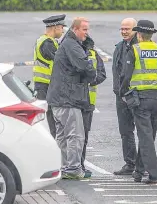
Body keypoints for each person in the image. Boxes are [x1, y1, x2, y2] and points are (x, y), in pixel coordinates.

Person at [119, 20, 157, 184]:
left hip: (141, 98)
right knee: (148, 135)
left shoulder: (135, 49)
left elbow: (126, 75)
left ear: (139, 35)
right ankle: (139, 171)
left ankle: (154, 173)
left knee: (145, 136)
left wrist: (122, 93)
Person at [46, 17, 96, 179]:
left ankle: (62, 167)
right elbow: (83, 66)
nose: (87, 34)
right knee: (75, 135)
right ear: (75, 30)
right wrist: (91, 68)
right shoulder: (71, 44)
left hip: (58, 98)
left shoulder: (67, 43)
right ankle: (73, 169)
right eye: (84, 30)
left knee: (62, 136)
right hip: (68, 99)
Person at [112, 18, 139, 175]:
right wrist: (118, 91)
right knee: (125, 131)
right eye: (122, 28)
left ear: (135, 29)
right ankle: (130, 163)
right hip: (121, 95)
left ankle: (142, 165)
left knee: (143, 131)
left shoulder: (139, 47)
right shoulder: (119, 47)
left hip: (136, 95)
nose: (124, 31)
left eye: (127, 29)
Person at [33, 14, 65, 137]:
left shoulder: (45, 40)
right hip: (46, 87)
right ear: (55, 27)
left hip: (44, 86)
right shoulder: (47, 43)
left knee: (49, 121)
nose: (62, 30)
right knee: (49, 123)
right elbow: (61, 61)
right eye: (61, 27)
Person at [81, 35, 107, 175]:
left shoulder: (93, 54)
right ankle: (72, 165)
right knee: (72, 136)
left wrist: (90, 82)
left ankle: (80, 164)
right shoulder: (71, 52)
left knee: (83, 135)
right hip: (73, 101)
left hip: (88, 102)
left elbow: (102, 74)